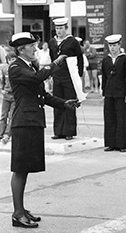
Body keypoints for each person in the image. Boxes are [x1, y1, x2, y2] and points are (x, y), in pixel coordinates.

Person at [8, 32, 79, 228]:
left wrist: (65, 103)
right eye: (32, 46)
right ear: (21, 49)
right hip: (23, 123)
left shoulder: (29, 66)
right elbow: (38, 77)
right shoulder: (16, 67)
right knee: (20, 169)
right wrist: (55, 63)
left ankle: (22, 209)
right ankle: (17, 213)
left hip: (32, 122)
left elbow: (44, 96)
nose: (35, 49)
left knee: (26, 169)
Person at [48, 17, 83, 140]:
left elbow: (79, 57)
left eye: (61, 28)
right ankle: (58, 131)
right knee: (58, 102)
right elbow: (52, 58)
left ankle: (69, 131)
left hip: (69, 75)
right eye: (57, 28)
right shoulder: (52, 42)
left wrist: (79, 75)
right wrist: (52, 74)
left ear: (66, 28)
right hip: (57, 75)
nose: (59, 31)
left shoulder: (72, 41)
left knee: (70, 101)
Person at [102, 34, 126, 152]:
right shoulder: (106, 60)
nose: (112, 48)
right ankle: (110, 143)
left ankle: (121, 144)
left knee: (121, 118)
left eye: (115, 45)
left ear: (119, 45)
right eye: (110, 46)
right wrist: (103, 92)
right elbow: (104, 77)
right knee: (109, 118)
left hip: (121, 93)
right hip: (109, 92)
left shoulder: (125, 59)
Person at [0, 51, 16, 144]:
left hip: (14, 95)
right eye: (10, 60)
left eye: (14, 59)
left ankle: (7, 133)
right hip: (6, 94)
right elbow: (2, 80)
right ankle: (1, 132)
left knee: (12, 116)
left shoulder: (18, 69)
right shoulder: (5, 69)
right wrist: (1, 90)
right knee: (3, 115)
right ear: (7, 61)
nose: (12, 61)